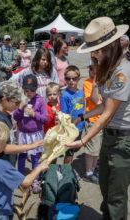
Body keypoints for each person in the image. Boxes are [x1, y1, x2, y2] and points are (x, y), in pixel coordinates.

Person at [66, 17, 129, 220]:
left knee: (116, 195)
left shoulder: (123, 72)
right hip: (111, 137)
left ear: (111, 46)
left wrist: (82, 141)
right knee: (105, 186)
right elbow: (103, 105)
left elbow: (108, 113)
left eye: (97, 50)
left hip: (123, 140)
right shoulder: (110, 69)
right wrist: (82, 116)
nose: (94, 54)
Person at [0, 119, 49, 220]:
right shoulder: (2, 166)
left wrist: (31, 145)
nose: (7, 144)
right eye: (5, 142)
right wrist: (39, 167)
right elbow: (26, 182)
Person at [0, 81, 44, 166]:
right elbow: (3, 148)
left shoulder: (5, 114)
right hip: (1, 166)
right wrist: (31, 146)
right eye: (16, 102)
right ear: (4, 99)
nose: (18, 105)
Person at [13, 74, 48, 193]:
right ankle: (21, 179)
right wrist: (20, 108)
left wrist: (34, 114)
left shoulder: (40, 100)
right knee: (22, 156)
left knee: (35, 157)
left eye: (31, 91)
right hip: (23, 133)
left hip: (35, 134)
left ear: (36, 89)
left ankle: (35, 180)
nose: (28, 93)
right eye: (26, 90)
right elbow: (15, 116)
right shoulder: (21, 100)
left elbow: (45, 119)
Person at [60, 65, 85, 164]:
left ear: (79, 78)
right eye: (68, 78)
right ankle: (66, 172)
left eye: (74, 78)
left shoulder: (81, 93)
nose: (71, 81)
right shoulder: (65, 95)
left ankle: (68, 170)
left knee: (74, 150)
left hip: (80, 127)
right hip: (70, 129)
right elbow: (64, 114)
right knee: (69, 152)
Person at [82, 65, 102, 184]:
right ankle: (88, 172)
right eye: (91, 69)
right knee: (91, 149)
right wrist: (95, 82)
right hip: (93, 120)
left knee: (97, 149)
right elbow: (95, 100)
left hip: (102, 120)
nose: (94, 71)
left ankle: (93, 169)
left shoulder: (105, 82)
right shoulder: (87, 83)